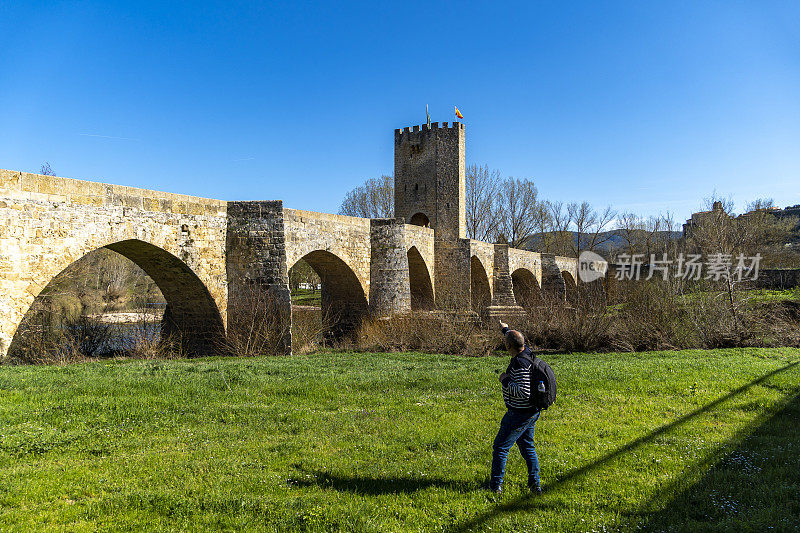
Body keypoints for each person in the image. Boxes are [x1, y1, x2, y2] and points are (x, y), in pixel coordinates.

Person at [489, 321, 542, 494]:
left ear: (508, 346)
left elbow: (523, 392)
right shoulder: (527, 352)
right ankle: (535, 485)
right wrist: (505, 329)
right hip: (532, 411)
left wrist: (504, 380)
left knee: (500, 447)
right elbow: (512, 337)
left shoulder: (519, 364)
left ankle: (495, 486)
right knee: (527, 447)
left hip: (519, 413)